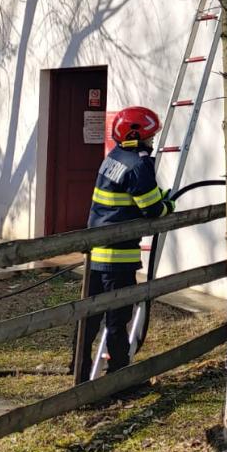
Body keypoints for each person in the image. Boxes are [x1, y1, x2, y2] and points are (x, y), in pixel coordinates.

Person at [74, 105, 173, 378]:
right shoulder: (140, 164)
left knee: (89, 317)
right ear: (136, 135)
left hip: (97, 254)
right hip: (119, 258)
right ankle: (118, 375)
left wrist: (155, 195)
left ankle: (78, 369)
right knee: (117, 318)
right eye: (150, 137)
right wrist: (169, 205)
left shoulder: (114, 157)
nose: (152, 142)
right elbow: (152, 210)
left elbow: (131, 196)